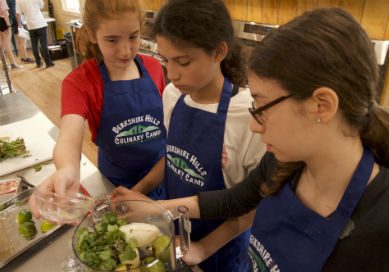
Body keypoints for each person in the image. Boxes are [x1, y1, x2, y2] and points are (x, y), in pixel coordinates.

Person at [112, 7, 389, 272]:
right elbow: (232, 201)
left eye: (262, 106)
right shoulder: (283, 163)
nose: (254, 127)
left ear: (321, 105)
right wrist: (156, 209)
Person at [113, 0, 265, 271]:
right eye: (165, 60)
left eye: (183, 61)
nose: (171, 73)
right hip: (174, 234)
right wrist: (139, 192)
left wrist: (203, 247)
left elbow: (252, 206)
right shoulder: (173, 95)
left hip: (221, 251)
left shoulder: (249, 116)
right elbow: (174, 158)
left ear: (218, 51)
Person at [30, 0, 168, 216]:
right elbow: (69, 137)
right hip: (116, 186)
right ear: (93, 35)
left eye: (133, 36)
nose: (125, 50)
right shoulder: (79, 82)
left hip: (164, 174)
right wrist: (68, 169)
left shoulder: (154, 68)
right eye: (112, 40)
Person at [15, 0, 54, 68]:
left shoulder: (18, 0)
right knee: (44, 44)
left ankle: (38, 63)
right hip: (40, 23)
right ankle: (48, 62)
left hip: (30, 25)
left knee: (34, 45)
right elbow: (41, 6)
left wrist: (19, 24)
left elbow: (18, 13)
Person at [0, 0, 22, 69]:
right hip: (3, 21)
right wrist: (9, 25)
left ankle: (4, 64)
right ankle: (13, 64)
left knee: (2, 43)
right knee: (7, 43)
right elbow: (4, 12)